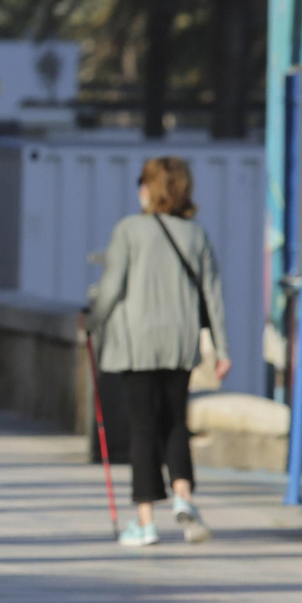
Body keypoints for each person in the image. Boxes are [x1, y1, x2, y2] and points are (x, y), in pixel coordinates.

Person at [85, 155, 230, 547]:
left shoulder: (129, 230)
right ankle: (183, 495)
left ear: (150, 189)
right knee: (175, 421)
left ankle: (146, 520)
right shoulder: (196, 235)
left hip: (137, 343)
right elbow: (212, 297)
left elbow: (112, 287)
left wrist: (91, 321)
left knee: (142, 426)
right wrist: (221, 348)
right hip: (180, 341)